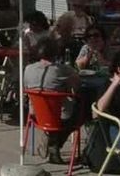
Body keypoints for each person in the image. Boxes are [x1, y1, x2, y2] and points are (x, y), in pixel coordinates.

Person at [23, 35, 80, 165]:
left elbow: (25, 88)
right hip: (59, 116)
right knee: (80, 112)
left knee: (58, 112)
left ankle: (51, 140)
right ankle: (54, 144)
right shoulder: (63, 70)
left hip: (35, 113)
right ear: (56, 51)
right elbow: (76, 87)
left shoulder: (28, 69)